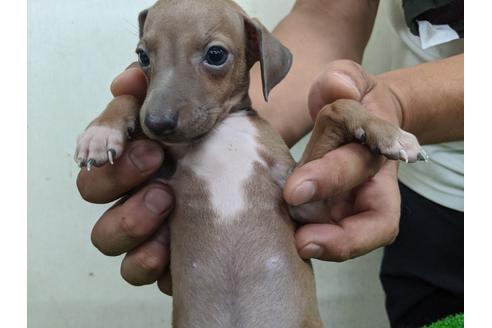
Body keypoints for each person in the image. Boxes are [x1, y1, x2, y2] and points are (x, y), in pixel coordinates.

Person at [76, 0, 463, 326]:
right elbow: (324, 18)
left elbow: (308, 203)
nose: (159, 111)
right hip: (431, 209)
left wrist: (354, 112)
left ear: (256, 53)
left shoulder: (262, 141)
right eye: (148, 58)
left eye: (214, 56)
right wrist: (119, 112)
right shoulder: (172, 147)